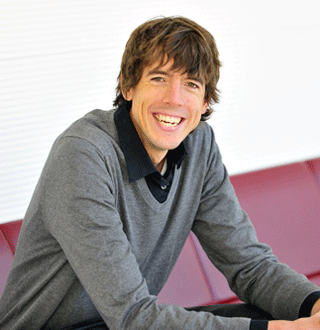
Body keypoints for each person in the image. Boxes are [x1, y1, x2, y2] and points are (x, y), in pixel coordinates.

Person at [0, 16, 319, 330]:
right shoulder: (84, 152)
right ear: (128, 86)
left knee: (277, 316)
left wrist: (315, 307)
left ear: (205, 102)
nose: (174, 99)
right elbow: (133, 318)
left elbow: (250, 266)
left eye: (191, 84)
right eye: (158, 78)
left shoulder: (199, 146)